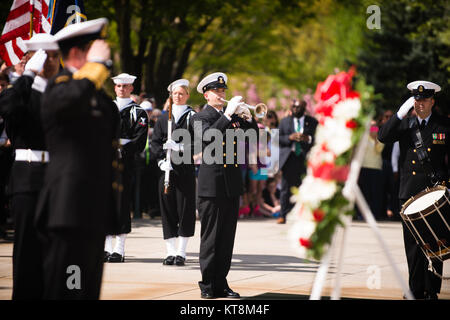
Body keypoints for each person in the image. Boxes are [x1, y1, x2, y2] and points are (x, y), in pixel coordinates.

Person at [36, 18, 121, 299]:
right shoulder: (59, 87)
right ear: (76, 53)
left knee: (86, 290)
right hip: (68, 208)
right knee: (68, 288)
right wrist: (96, 67)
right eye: (94, 51)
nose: (104, 58)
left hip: (94, 209)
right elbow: (70, 100)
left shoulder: (94, 94)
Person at [0, 34, 60, 300]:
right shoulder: (21, 93)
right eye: (40, 57)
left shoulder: (64, 90)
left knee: (58, 249)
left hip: (59, 177)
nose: (47, 62)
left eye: (52, 56)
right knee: (26, 250)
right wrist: (28, 75)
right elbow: (6, 106)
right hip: (28, 176)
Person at [378, 80, 449, 300]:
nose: (420, 104)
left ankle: (432, 289)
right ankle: (415, 289)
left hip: (433, 192)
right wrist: (398, 114)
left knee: (435, 244)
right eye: (416, 100)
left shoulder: (443, 125)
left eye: (424, 100)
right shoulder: (405, 124)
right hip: (409, 193)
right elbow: (382, 136)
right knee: (413, 246)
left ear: (432, 102)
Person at [191, 72, 258, 299]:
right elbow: (207, 138)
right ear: (206, 94)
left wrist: (248, 118)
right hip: (211, 186)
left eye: (223, 91)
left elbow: (253, 136)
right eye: (217, 92)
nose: (222, 94)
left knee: (227, 238)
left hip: (231, 184)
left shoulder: (232, 116)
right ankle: (207, 285)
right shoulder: (200, 117)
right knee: (211, 238)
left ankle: (222, 282)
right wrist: (227, 115)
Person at [150, 79, 196, 266]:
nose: (178, 96)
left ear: (187, 96)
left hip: (184, 169)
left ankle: (181, 251)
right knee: (167, 209)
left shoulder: (192, 117)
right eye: (175, 93)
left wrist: (179, 147)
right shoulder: (163, 118)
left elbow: (199, 142)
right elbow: (154, 143)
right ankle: (170, 251)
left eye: (181, 93)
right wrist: (161, 160)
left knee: (184, 209)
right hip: (166, 170)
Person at [104, 73, 148, 263]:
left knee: (121, 204)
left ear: (131, 88)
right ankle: (105, 247)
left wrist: (120, 147)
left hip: (124, 162)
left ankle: (119, 248)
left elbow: (139, 140)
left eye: (125, 86)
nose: (122, 89)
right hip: (104, 161)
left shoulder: (138, 112)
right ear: (115, 88)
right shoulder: (106, 109)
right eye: (119, 86)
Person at [277, 99, 318, 224]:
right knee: (286, 188)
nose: (295, 109)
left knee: (305, 186)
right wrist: (289, 137)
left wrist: (308, 138)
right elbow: (277, 139)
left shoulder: (312, 122)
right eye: (293, 107)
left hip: (305, 158)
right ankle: (283, 215)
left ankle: (305, 215)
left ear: (304, 108)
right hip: (289, 158)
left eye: (298, 107)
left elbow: (319, 138)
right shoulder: (284, 121)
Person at [355, 120, 384, 220]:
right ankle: (361, 214)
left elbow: (378, 150)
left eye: (375, 126)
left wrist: (375, 138)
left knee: (375, 193)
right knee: (364, 193)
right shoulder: (363, 138)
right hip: (364, 168)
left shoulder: (380, 138)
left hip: (376, 168)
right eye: (371, 126)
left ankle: (374, 214)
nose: (373, 129)